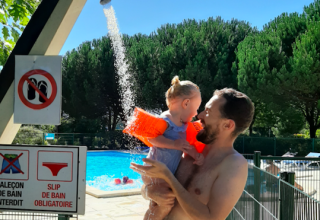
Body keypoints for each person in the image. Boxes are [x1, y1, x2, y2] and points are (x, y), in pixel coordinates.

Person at [131, 88, 255, 220]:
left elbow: (211, 218)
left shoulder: (233, 164)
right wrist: (149, 191)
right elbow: (149, 188)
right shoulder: (188, 149)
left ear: (227, 125)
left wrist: (168, 177)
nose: (199, 115)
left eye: (208, 112)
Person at [142, 76, 204, 220]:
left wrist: (196, 155)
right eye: (196, 108)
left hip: (165, 173)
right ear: (186, 103)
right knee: (165, 202)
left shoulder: (184, 126)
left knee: (161, 204)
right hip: (154, 170)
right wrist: (173, 144)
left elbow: (186, 145)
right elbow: (152, 138)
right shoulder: (166, 118)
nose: (196, 113)